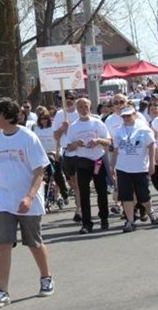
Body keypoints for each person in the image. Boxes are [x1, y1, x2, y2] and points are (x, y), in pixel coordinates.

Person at [0, 98, 54, 309]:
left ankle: (46, 277)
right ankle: (2, 290)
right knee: (3, 244)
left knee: (33, 242)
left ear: (8, 115)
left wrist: (30, 196)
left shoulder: (28, 137)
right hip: (5, 201)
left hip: (28, 200)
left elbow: (39, 171)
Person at [65, 98, 112, 234]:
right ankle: (86, 223)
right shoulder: (73, 126)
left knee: (101, 191)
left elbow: (108, 141)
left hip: (97, 160)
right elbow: (68, 146)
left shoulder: (97, 123)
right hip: (83, 161)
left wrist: (98, 140)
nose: (83, 109)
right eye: (80, 107)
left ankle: (104, 218)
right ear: (77, 108)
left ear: (90, 107)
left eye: (85, 106)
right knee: (84, 193)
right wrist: (76, 144)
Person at [109, 107, 158, 233]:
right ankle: (130, 220)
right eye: (124, 116)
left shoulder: (143, 129)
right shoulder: (119, 131)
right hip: (123, 167)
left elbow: (151, 146)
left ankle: (150, 211)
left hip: (139, 167)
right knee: (126, 196)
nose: (126, 118)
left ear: (134, 115)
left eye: (128, 115)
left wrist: (152, 163)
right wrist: (112, 166)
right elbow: (115, 150)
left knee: (143, 196)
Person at [51, 90, 81, 222]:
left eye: (71, 98)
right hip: (66, 153)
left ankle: (79, 209)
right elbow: (55, 136)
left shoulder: (80, 112)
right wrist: (63, 129)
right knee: (73, 183)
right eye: (65, 98)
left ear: (75, 99)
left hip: (80, 152)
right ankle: (80, 205)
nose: (68, 100)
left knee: (79, 183)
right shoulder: (59, 114)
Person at [34, 108, 69, 205]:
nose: (44, 121)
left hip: (54, 153)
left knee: (57, 175)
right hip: (43, 155)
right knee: (45, 177)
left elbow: (58, 141)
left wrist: (56, 152)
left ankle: (64, 194)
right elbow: (35, 144)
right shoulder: (37, 129)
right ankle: (44, 197)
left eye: (45, 118)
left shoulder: (52, 128)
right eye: (42, 119)